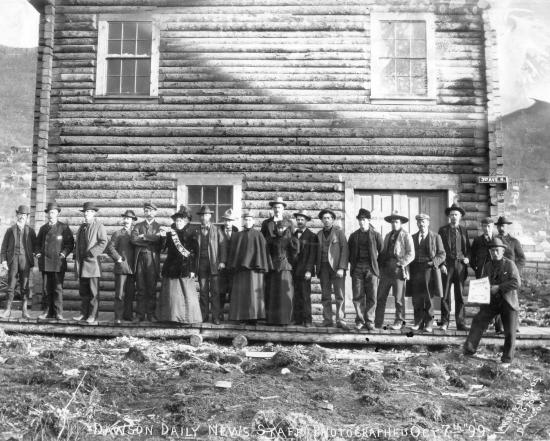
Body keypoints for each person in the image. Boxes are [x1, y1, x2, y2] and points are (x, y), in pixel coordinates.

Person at [464, 238, 521, 366]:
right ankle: (469, 349)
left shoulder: (510, 264)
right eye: (492, 251)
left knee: (510, 331)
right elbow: (484, 284)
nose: (494, 253)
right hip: (493, 302)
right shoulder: (488, 266)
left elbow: (516, 282)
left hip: (508, 302)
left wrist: (499, 287)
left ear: (502, 251)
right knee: (478, 319)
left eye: (497, 250)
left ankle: (507, 359)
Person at [156, 206, 201, 324]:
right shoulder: (171, 233)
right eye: (176, 220)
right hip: (171, 267)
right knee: (172, 295)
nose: (178, 222)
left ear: (185, 221)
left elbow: (196, 253)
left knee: (187, 295)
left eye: (180, 220)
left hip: (186, 267)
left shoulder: (192, 233)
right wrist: (163, 237)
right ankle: (170, 318)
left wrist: (193, 270)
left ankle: (187, 319)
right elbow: (162, 248)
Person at [228, 211, 271, 324]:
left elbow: (263, 253)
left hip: (254, 271)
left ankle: (254, 317)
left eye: (250, 219)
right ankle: (241, 316)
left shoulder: (258, 235)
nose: (248, 222)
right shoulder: (238, 235)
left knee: (254, 294)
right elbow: (234, 253)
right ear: (243, 221)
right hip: (241, 271)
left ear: (253, 221)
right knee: (241, 293)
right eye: (246, 219)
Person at [375, 211, 415, 330]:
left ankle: (399, 321)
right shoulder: (387, 235)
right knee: (381, 296)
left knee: (399, 298)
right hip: (386, 269)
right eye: (392, 222)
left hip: (398, 270)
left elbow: (411, 254)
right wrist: (380, 268)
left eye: (396, 222)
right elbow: (383, 253)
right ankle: (378, 322)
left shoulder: (406, 235)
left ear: (401, 223)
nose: (394, 224)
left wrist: (401, 263)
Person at [35, 202, 74, 320]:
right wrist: (37, 253)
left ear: (57, 213)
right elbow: (37, 244)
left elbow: (70, 243)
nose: (51, 215)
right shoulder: (43, 228)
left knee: (57, 288)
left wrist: (64, 253)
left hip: (58, 263)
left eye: (53, 212)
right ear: (47, 214)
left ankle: (58, 312)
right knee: (46, 288)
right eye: (49, 212)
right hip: (46, 262)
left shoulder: (64, 228)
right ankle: (47, 311)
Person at [347, 208, 383, 331]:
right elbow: (349, 253)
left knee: (372, 295)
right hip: (357, 268)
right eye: (360, 220)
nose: (362, 222)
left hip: (371, 269)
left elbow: (382, 253)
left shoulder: (376, 235)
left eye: (364, 220)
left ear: (368, 220)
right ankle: (360, 320)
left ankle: (370, 321)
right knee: (358, 295)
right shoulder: (353, 236)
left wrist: (376, 267)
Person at [409, 213, 446, 333]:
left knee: (428, 297)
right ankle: (418, 322)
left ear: (428, 223)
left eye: (423, 222)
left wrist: (433, 263)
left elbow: (442, 254)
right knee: (417, 297)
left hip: (429, 270)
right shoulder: (413, 237)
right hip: (415, 270)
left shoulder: (435, 237)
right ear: (417, 224)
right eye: (419, 222)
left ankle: (429, 323)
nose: (421, 224)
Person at [438, 203, 471, 331]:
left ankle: (460, 323)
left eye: (456, 215)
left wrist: (468, 257)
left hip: (460, 266)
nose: (453, 217)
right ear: (449, 217)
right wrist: (441, 264)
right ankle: (445, 322)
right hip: (447, 265)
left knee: (460, 296)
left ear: (460, 216)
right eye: (451, 215)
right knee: (445, 295)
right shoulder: (443, 230)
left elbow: (467, 248)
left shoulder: (463, 230)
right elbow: (439, 249)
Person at [73, 202, 108, 324]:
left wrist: (92, 253)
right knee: (84, 291)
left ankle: (93, 316)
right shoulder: (82, 227)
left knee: (94, 292)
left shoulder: (99, 226)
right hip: (82, 264)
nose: (86, 214)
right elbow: (77, 244)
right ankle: (83, 314)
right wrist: (76, 254)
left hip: (92, 264)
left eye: (88, 212)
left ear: (93, 213)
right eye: (85, 212)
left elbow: (103, 242)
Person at [1, 205, 37, 319]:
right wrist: (4, 261)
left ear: (27, 217)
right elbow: (3, 248)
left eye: (24, 215)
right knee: (11, 286)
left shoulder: (30, 231)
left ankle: (24, 310)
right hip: (13, 261)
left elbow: (36, 247)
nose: (22, 217)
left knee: (25, 286)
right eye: (20, 214)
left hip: (25, 261)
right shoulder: (10, 230)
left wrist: (35, 258)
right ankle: (8, 310)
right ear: (17, 215)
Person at [316, 208, 349, 329]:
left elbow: (345, 251)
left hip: (336, 268)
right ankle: (327, 319)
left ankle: (340, 319)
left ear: (333, 220)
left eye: (328, 218)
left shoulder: (339, 233)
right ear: (321, 220)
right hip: (323, 267)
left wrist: (341, 268)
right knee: (326, 295)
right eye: (324, 218)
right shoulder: (319, 234)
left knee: (339, 295)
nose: (326, 220)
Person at [131, 201, 163, 322]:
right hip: (140, 259)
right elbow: (133, 240)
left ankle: (150, 314)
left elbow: (159, 240)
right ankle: (139, 315)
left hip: (152, 259)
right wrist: (151, 239)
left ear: (155, 212)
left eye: (150, 210)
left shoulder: (159, 227)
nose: (148, 212)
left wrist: (144, 237)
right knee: (140, 288)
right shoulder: (138, 226)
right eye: (146, 210)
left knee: (151, 288)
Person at [195, 205, 226, 324]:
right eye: (202, 215)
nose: (203, 217)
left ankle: (215, 317)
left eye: (206, 215)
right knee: (203, 291)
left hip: (214, 264)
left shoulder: (217, 230)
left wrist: (222, 261)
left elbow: (223, 246)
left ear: (210, 216)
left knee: (215, 291)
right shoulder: (197, 231)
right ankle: (204, 316)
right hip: (201, 264)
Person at [495, 215, 526, 333]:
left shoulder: (514, 242)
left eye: (503, 226)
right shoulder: (495, 241)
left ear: (507, 227)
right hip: (498, 275)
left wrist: (515, 270)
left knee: (512, 301)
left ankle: (514, 326)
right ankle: (499, 327)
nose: (501, 228)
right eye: (499, 226)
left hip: (511, 276)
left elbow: (522, 259)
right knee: (498, 300)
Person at [106, 210, 137, 324]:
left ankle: (128, 316)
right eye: (125, 218)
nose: (127, 220)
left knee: (130, 293)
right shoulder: (117, 233)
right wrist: (118, 258)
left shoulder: (135, 233)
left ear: (133, 221)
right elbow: (110, 248)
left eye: (129, 219)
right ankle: (118, 317)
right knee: (119, 294)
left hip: (132, 268)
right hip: (121, 267)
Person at [266, 219, 299, 325]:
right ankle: (274, 320)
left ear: (287, 228)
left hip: (286, 269)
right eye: (279, 228)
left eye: (283, 228)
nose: (280, 230)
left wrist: (288, 263)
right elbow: (269, 253)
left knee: (285, 294)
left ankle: (285, 319)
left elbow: (295, 255)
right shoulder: (273, 240)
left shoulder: (291, 240)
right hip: (274, 269)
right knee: (275, 294)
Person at [291, 210, 318, 327]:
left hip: (305, 271)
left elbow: (312, 255)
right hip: (294, 270)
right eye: (298, 220)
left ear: (306, 221)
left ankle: (307, 320)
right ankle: (298, 319)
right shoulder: (293, 235)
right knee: (296, 294)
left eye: (302, 220)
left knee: (305, 295)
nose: (300, 222)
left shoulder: (312, 236)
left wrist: (308, 270)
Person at [261, 197, 287, 309]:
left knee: (282, 288)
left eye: (279, 207)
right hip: (269, 259)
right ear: (272, 208)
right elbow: (262, 241)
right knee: (269, 287)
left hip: (283, 261)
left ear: (283, 209)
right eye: (275, 207)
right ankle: (269, 315)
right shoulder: (266, 223)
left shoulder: (288, 223)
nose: (277, 209)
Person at [218, 208, 239, 322]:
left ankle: (232, 315)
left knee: (232, 291)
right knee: (221, 291)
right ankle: (220, 313)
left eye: (230, 220)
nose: (227, 223)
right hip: (221, 267)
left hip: (232, 267)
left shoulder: (237, 232)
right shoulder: (218, 231)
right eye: (226, 220)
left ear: (233, 221)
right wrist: (219, 262)